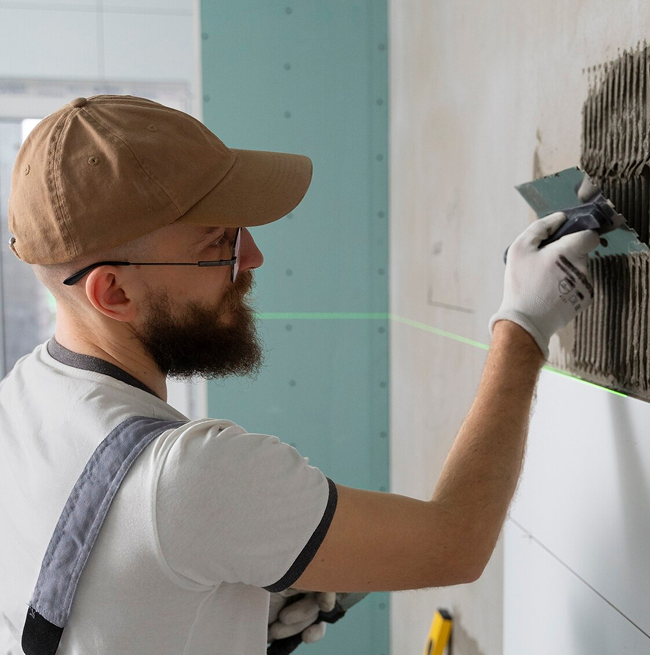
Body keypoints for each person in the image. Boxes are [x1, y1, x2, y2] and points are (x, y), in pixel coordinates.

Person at [0, 94, 600, 655]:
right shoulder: (186, 478)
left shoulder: (18, 404)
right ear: (114, 291)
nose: (252, 257)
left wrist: (215, 620)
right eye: (219, 242)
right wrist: (523, 325)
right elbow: (455, 543)